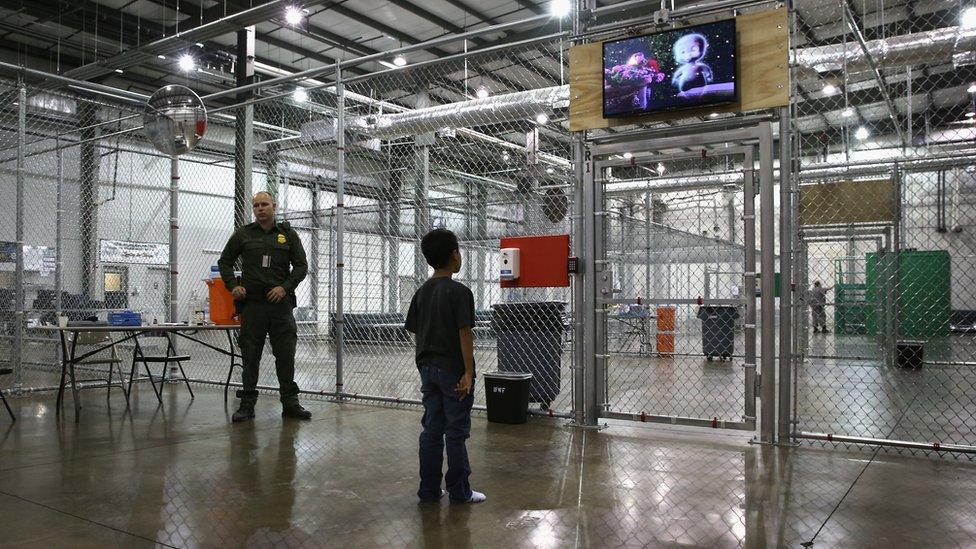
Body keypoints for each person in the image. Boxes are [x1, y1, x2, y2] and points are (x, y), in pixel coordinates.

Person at [405, 229, 485, 504]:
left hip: (428, 368)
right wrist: (468, 372)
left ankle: (428, 490)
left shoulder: (422, 292)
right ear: (454, 255)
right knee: (456, 431)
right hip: (453, 371)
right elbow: (465, 333)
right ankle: (459, 491)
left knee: (431, 429)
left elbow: (417, 330)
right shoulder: (460, 292)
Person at [218, 191, 311, 422]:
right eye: (256, 205)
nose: (260, 208)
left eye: (265, 204)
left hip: (280, 306)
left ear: (274, 206)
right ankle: (247, 405)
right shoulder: (244, 234)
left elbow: (301, 266)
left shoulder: (288, 235)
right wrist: (232, 286)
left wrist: (285, 287)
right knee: (250, 356)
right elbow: (225, 261)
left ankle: (290, 404)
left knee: (285, 355)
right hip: (253, 306)